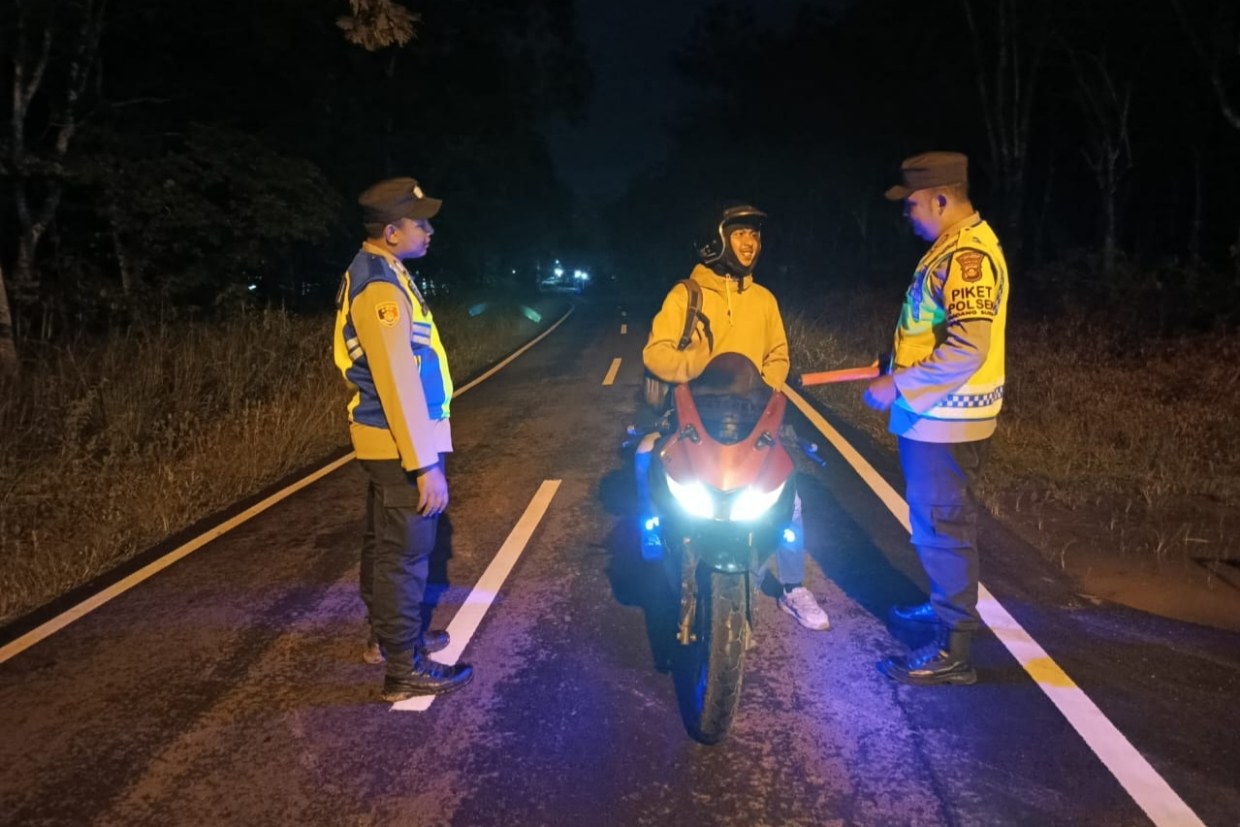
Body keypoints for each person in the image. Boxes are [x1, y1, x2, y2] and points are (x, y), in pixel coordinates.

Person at [639, 203, 830, 632]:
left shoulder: (764, 300)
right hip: (695, 414)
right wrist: (695, 366)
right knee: (650, 463)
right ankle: (655, 536)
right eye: (740, 233)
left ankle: (793, 586)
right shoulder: (687, 294)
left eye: (755, 235)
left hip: (751, 416)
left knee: (788, 495)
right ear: (717, 240)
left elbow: (778, 354)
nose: (750, 243)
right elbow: (656, 352)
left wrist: (766, 386)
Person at [864, 151, 1009, 686]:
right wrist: (896, 362)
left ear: (943, 198)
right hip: (937, 418)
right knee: (935, 523)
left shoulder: (967, 256)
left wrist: (899, 384)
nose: (908, 215)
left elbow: (969, 348)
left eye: (913, 204)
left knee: (943, 526)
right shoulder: (952, 246)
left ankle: (953, 650)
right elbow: (934, 330)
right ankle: (944, 602)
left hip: (946, 421)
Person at [333, 176, 473, 701]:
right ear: (391, 232)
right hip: (397, 445)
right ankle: (403, 667)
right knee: (405, 557)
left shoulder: (385, 271)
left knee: (385, 545)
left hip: (388, 441)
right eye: (420, 223)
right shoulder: (380, 288)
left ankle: (391, 639)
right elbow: (397, 379)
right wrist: (424, 465)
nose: (430, 231)